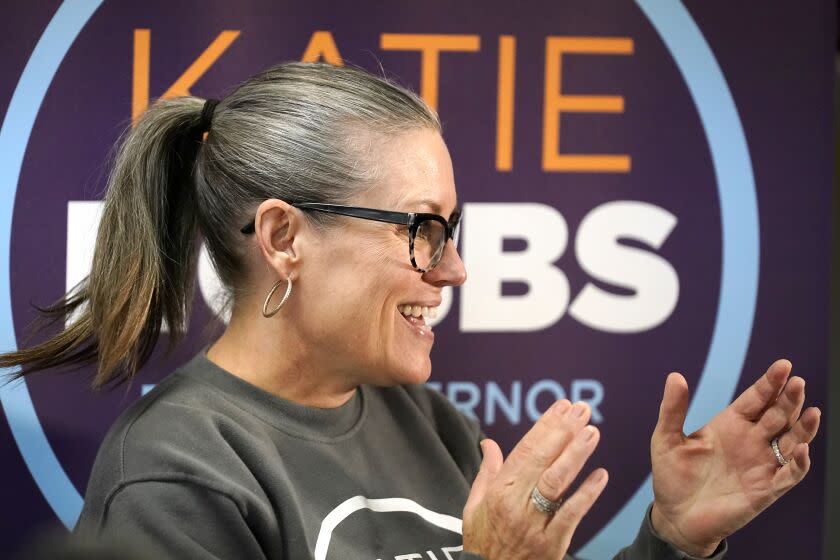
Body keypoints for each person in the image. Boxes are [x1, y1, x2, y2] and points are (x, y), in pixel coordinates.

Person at [0, 61, 820, 560]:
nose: (455, 269)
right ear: (284, 237)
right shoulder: (179, 473)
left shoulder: (431, 425)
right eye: (423, 230)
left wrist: (672, 540)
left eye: (452, 232)